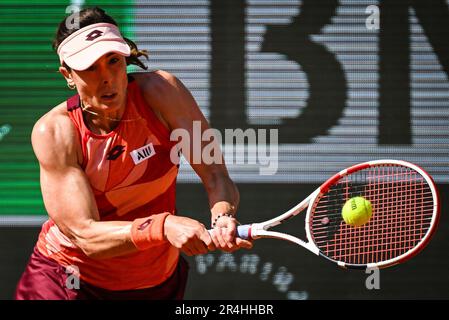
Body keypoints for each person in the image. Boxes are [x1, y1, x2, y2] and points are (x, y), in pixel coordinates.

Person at [15, 6, 252, 300]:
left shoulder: (164, 92)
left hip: (155, 281)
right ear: (68, 75)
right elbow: (86, 235)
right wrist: (163, 226)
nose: (107, 77)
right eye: (90, 67)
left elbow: (215, 175)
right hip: (67, 279)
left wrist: (222, 217)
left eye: (113, 61)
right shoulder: (55, 131)